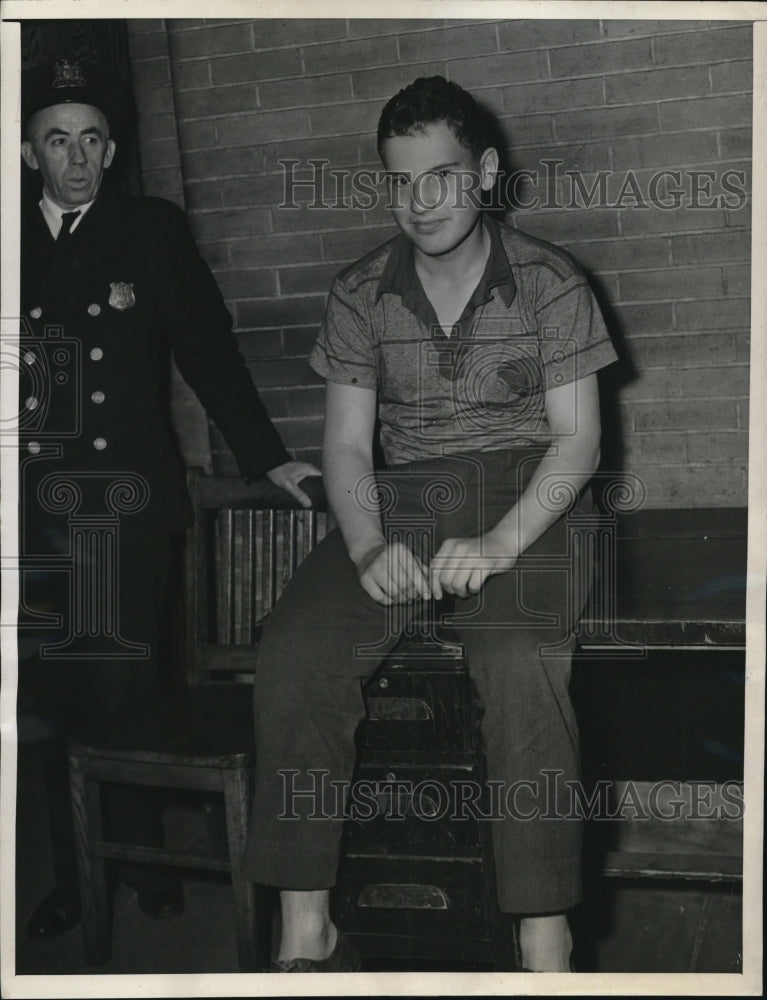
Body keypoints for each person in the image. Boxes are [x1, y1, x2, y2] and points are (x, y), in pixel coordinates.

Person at [242, 76, 618, 973]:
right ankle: (307, 928)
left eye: (442, 178)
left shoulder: (551, 282)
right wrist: (369, 544)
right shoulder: (360, 289)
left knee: (517, 659)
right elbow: (343, 447)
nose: (421, 203)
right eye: (401, 182)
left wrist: (498, 544)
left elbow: (578, 444)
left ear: (484, 174)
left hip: (531, 494)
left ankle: (543, 938)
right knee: (293, 651)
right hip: (401, 497)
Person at [17, 57, 320, 940]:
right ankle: (78, 874)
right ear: (29, 152)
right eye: (55, 140)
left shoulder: (149, 231)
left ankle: (138, 858)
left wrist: (269, 461)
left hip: (124, 507)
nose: (75, 158)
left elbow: (210, 354)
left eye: (91, 141)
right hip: (30, 509)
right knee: (48, 703)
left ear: (111, 152)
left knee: (119, 697)